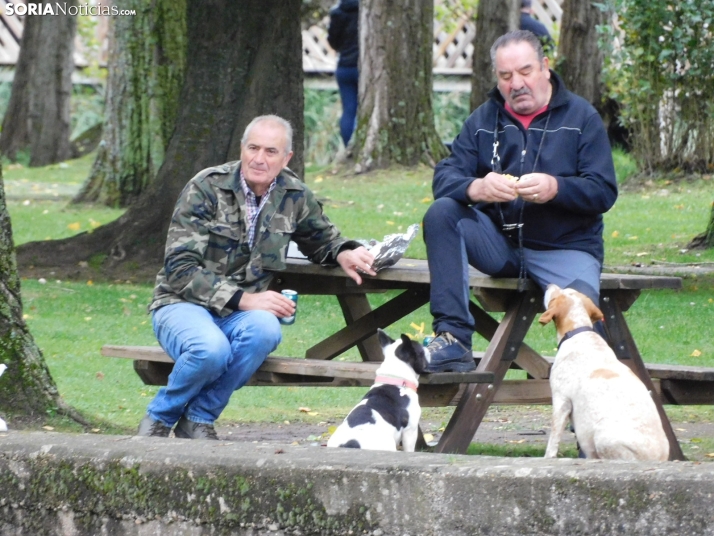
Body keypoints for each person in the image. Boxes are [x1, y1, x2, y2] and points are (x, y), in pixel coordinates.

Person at [137, 115, 376, 439]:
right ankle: (160, 418)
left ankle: (198, 418)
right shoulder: (206, 187)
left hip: (240, 315)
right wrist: (247, 300)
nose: (259, 159)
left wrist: (343, 252)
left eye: (270, 151)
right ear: (242, 148)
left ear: (286, 157)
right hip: (182, 304)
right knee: (211, 350)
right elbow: (180, 269)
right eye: (253, 148)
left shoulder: (294, 194)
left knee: (265, 329)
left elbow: (322, 239)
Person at [422, 30, 618, 373]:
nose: (517, 84)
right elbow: (444, 178)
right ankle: (452, 339)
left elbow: (603, 191)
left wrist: (556, 188)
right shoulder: (482, 121)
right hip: (500, 246)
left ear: (545, 67)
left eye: (525, 72)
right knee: (442, 213)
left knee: (582, 323)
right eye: (506, 76)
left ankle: (591, 404)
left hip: (566, 248)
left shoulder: (581, 118)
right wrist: (476, 188)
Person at [327, 0, 359, 149]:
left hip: (344, 67)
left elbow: (333, 41)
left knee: (349, 110)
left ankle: (349, 147)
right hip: (364, 68)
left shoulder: (337, 12)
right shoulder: (365, 11)